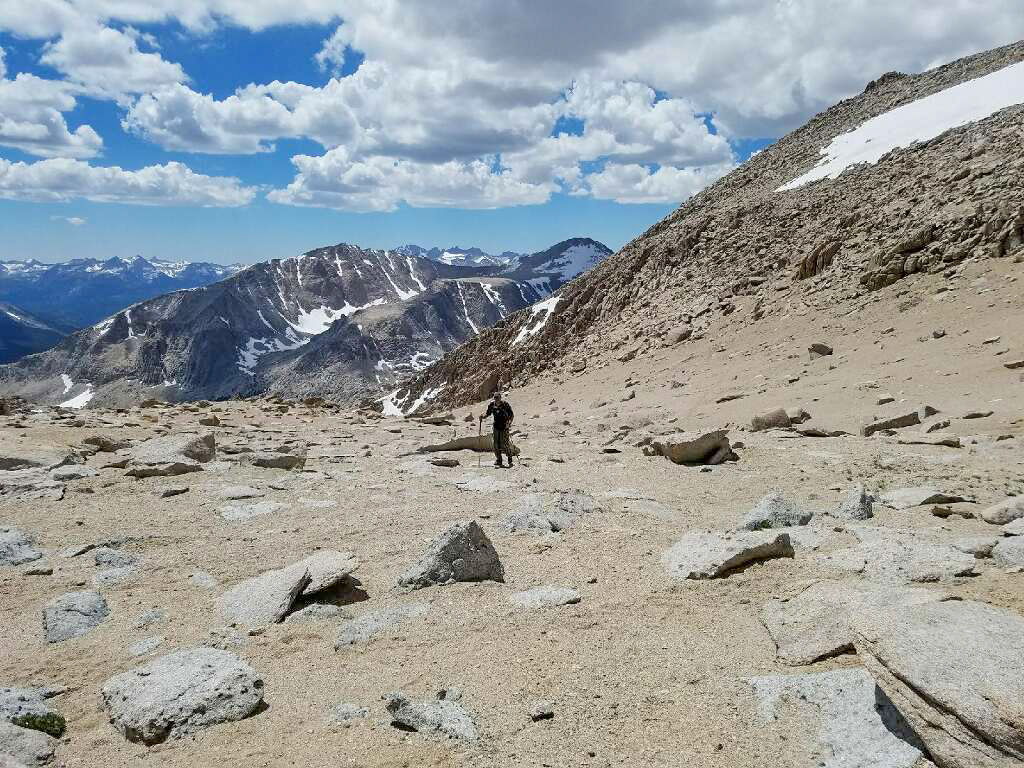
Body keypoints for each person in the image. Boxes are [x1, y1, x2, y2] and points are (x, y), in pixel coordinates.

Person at [479, 391, 515, 468]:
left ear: (500, 398)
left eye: (498, 397)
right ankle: (499, 460)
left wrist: (509, 423)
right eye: (495, 398)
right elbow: (488, 413)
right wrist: (482, 416)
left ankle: (510, 458)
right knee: (496, 444)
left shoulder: (505, 405)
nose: (496, 399)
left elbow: (511, 415)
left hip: (504, 427)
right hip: (496, 426)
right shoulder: (492, 405)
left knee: (505, 443)